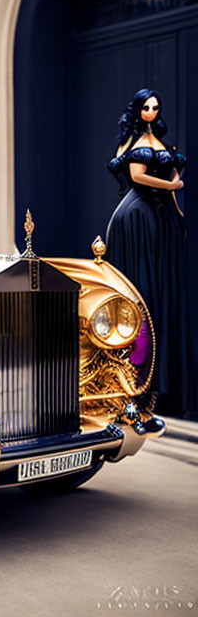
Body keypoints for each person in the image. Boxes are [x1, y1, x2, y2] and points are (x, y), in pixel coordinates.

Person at [106, 88, 194, 414]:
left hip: (161, 219)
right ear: (138, 109)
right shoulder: (133, 142)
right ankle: (138, 385)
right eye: (147, 107)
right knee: (143, 294)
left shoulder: (156, 138)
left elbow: (171, 170)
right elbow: (137, 176)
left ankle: (161, 386)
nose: (152, 111)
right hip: (137, 218)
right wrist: (172, 187)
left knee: (163, 294)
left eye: (156, 107)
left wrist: (175, 207)